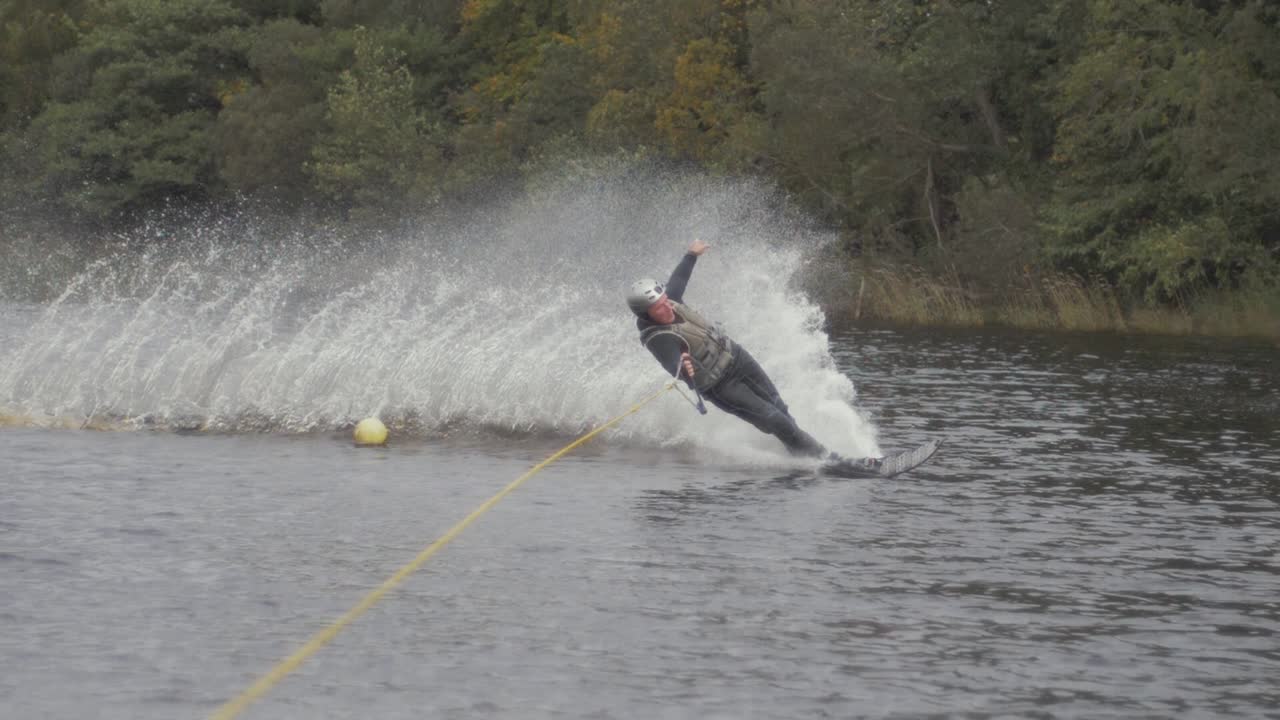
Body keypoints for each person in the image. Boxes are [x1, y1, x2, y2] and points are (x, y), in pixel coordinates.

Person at [627, 240, 835, 459]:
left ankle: (801, 451)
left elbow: (679, 279)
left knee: (778, 407)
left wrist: (691, 254)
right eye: (659, 307)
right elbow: (672, 362)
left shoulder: (672, 301)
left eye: (664, 300)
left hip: (737, 358)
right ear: (646, 314)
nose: (667, 307)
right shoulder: (658, 338)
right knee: (772, 418)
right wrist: (683, 365)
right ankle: (825, 458)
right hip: (720, 385)